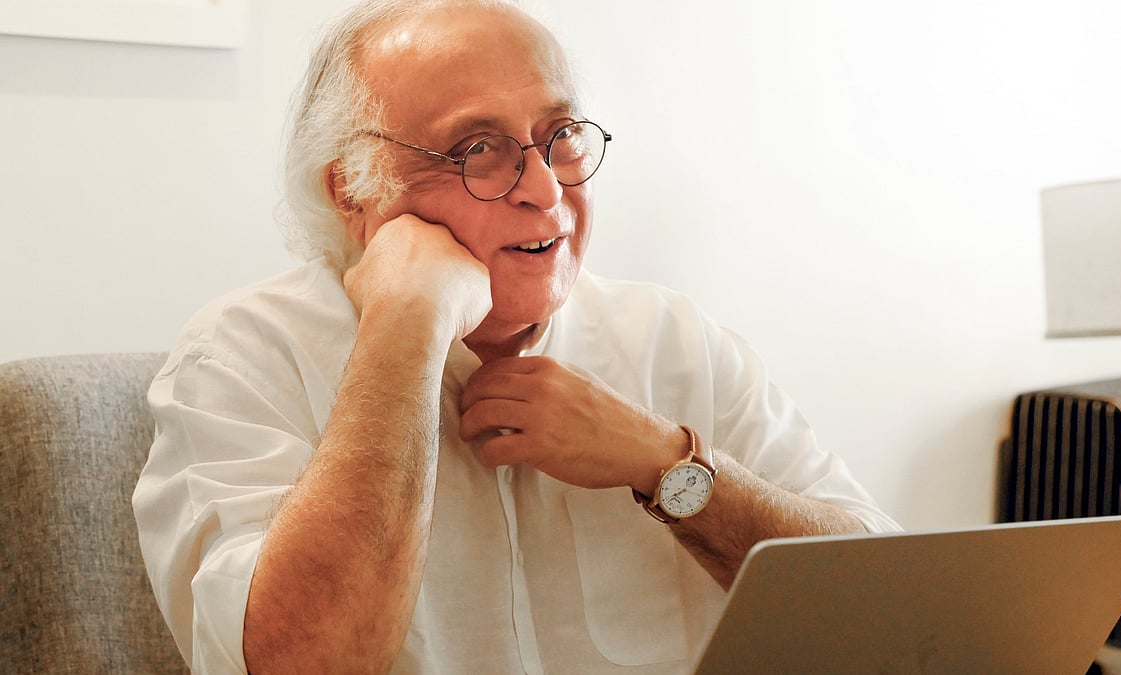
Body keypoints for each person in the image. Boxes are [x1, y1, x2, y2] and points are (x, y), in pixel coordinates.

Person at [132, 0, 901, 672]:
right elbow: (306, 663)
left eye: (560, 133)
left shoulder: (670, 338)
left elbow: (892, 613)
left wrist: (666, 464)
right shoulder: (240, 360)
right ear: (355, 191)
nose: (544, 190)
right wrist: (407, 327)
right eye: (476, 149)